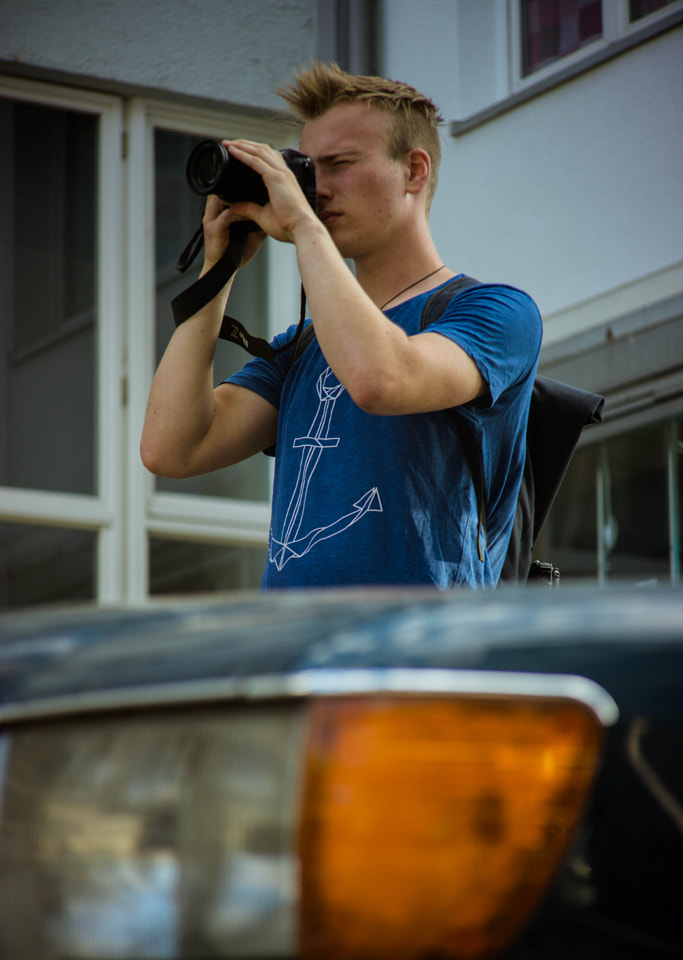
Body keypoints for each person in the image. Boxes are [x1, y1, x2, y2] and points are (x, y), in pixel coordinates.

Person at [141, 62, 542, 590]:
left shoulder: (496, 312)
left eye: (340, 164)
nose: (316, 189)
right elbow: (172, 448)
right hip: (297, 651)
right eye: (308, 170)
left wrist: (305, 227)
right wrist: (219, 267)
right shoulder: (303, 348)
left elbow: (381, 379)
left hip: (423, 654)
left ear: (414, 172)